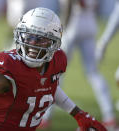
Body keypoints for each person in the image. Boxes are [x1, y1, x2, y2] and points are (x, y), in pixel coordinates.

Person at [0, 8, 106, 131]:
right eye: (28, 37)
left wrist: (78, 114)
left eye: (41, 39)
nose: (33, 43)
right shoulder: (10, 65)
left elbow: (49, 88)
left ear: (53, 43)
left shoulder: (57, 60)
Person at [40, 0, 119, 130]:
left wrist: (63, 28)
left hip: (73, 25)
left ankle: (46, 116)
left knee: (55, 73)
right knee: (93, 73)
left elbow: (70, 4)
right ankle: (109, 115)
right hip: (90, 24)